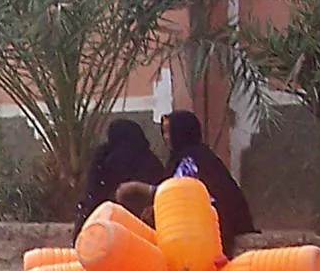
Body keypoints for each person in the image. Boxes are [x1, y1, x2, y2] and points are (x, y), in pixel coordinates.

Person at [161, 110, 256, 256]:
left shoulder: (191, 160)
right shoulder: (188, 157)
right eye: (164, 132)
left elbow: (177, 193)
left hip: (212, 226)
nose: (166, 137)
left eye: (169, 132)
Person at [75, 120, 167, 234]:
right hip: (142, 227)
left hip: (102, 220)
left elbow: (93, 190)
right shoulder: (150, 161)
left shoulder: (104, 157)